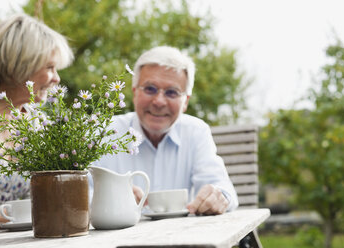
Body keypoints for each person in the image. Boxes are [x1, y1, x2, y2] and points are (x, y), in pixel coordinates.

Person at [94, 46, 238, 215]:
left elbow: (222, 190)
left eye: (171, 92)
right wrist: (107, 197)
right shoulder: (103, 131)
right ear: (134, 93)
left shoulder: (196, 132)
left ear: (185, 102)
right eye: (150, 89)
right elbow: (79, 195)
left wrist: (218, 196)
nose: (159, 101)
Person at [0, 13, 73, 228]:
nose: (57, 79)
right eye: (49, 67)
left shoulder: (37, 121)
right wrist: (12, 215)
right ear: (20, 65)